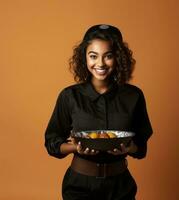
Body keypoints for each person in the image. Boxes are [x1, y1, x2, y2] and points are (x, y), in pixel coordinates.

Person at [44, 24, 153, 200]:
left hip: (120, 186)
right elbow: (52, 143)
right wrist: (75, 147)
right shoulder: (69, 96)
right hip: (79, 186)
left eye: (108, 56)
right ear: (84, 57)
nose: (100, 63)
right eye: (93, 56)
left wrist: (129, 147)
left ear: (118, 58)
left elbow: (141, 148)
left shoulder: (133, 96)